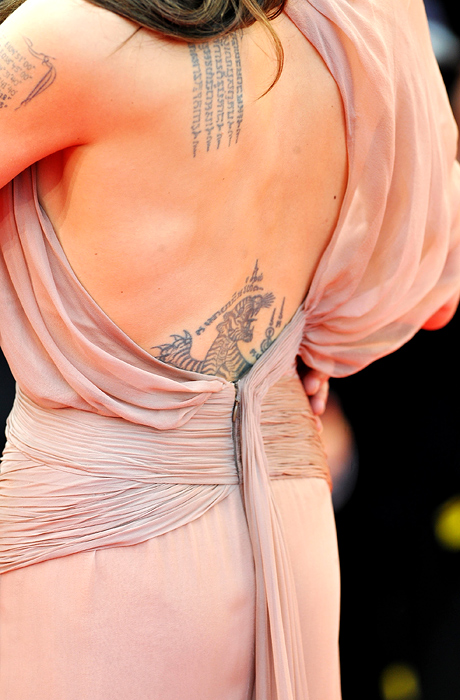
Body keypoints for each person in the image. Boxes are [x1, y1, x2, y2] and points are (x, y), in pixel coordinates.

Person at [0, 0, 459, 698]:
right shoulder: (340, 55)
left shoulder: (73, 39)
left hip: (106, 533)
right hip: (291, 517)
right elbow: (432, 295)